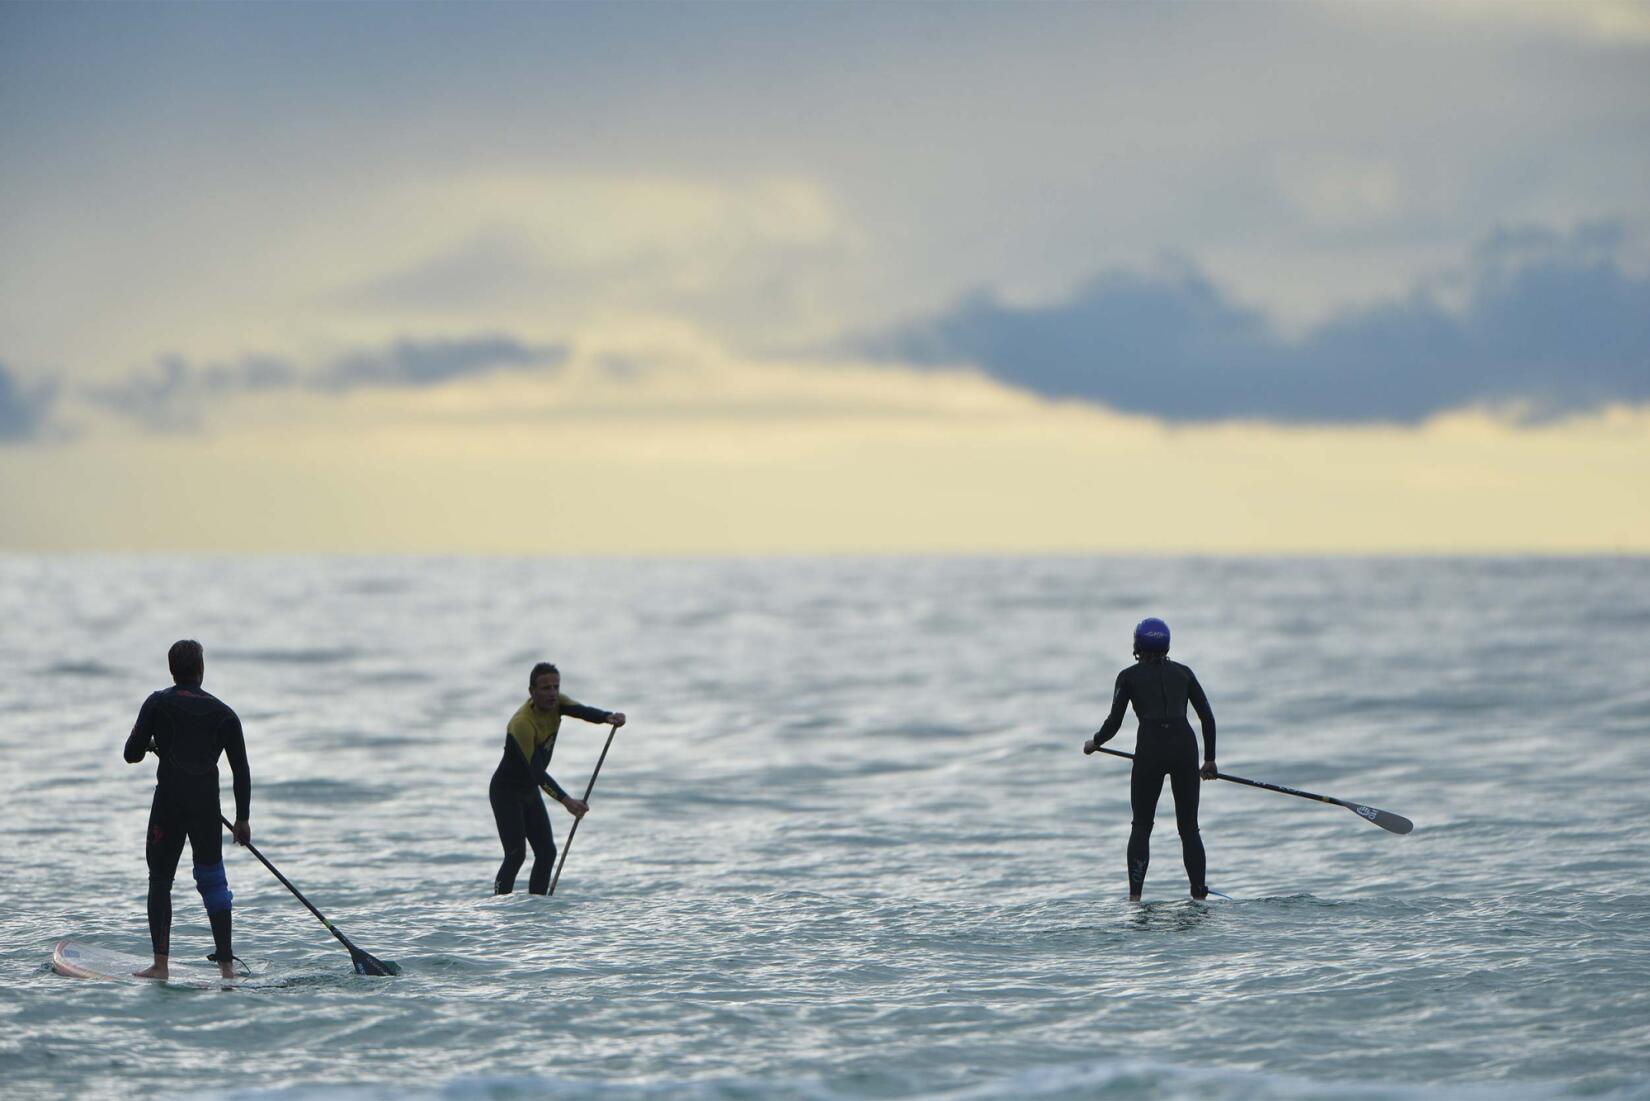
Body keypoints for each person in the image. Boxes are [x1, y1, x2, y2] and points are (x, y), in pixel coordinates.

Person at [122, 640, 251, 979]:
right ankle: (227, 969)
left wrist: (152, 745)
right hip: (207, 807)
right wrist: (242, 819)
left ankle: (160, 966)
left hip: (169, 805)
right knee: (213, 882)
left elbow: (130, 754)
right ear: (200, 670)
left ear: (172, 670)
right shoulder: (225, 714)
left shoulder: (158, 703)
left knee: (160, 880)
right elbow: (241, 770)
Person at [1083, 618, 1218, 901]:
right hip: (1184, 748)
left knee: (1142, 826)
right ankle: (1199, 894)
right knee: (1189, 828)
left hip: (1151, 751)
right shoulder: (1184, 673)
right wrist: (1210, 761)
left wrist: (1095, 742)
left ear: (1136, 646)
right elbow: (1206, 717)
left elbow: (1114, 722)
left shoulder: (1128, 677)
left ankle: (1135, 899)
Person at [490, 662, 626, 895]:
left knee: (547, 852)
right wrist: (567, 801)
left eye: (555, 686)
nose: (552, 693)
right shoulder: (522, 723)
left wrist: (608, 717)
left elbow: (582, 711)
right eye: (545, 688)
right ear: (532, 692)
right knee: (516, 855)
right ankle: (499, 908)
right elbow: (536, 772)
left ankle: (537, 908)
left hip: (529, 790)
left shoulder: (557, 703)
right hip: (506, 792)